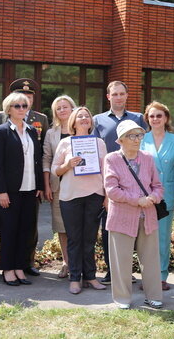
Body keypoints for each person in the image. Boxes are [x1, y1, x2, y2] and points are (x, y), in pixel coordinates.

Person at [104, 120, 164, 309]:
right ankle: (122, 298)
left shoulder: (147, 158)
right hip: (121, 217)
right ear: (120, 140)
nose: (136, 140)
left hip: (148, 216)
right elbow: (112, 190)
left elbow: (158, 186)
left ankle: (153, 296)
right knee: (121, 260)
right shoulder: (111, 159)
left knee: (151, 260)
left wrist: (153, 197)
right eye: (131, 136)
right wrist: (137, 199)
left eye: (139, 135)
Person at [0, 78, 49, 277]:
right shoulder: (0, 131)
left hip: (30, 188)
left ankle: (20, 267)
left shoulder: (32, 130)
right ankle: (8, 269)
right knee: (9, 231)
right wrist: (1, 191)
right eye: (17, 105)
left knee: (26, 230)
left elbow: (37, 159)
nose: (21, 108)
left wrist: (40, 185)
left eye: (24, 105)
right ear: (9, 108)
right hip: (10, 190)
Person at [93, 81, 147, 284]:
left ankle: (129, 271)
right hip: (109, 183)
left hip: (134, 182)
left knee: (133, 226)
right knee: (109, 227)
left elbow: (144, 148)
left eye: (121, 93)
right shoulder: (97, 120)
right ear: (108, 97)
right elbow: (96, 153)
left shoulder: (138, 118)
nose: (118, 97)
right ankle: (112, 271)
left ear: (126, 96)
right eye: (114, 94)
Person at [53, 106, 107, 295]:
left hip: (95, 195)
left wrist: (106, 196)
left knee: (90, 239)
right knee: (74, 239)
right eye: (80, 116)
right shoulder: (65, 143)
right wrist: (67, 165)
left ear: (91, 121)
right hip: (71, 196)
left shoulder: (99, 143)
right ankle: (75, 278)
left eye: (87, 116)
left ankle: (90, 277)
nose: (84, 118)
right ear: (73, 122)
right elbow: (55, 170)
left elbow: (105, 171)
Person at [142, 101, 174, 291]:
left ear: (166, 118)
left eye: (159, 115)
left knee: (163, 237)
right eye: (152, 116)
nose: (155, 119)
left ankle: (161, 276)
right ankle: (147, 276)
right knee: (145, 238)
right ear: (147, 119)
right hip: (144, 196)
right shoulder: (141, 139)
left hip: (166, 195)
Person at [43, 95, 76, 279]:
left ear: (73, 108)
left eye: (65, 106)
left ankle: (78, 263)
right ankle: (67, 263)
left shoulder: (82, 129)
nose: (62, 110)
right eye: (58, 108)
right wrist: (47, 184)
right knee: (61, 227)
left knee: (77, 227)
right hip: (58, 185)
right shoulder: (51, 133)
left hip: (81, 186)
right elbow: (46, 159)